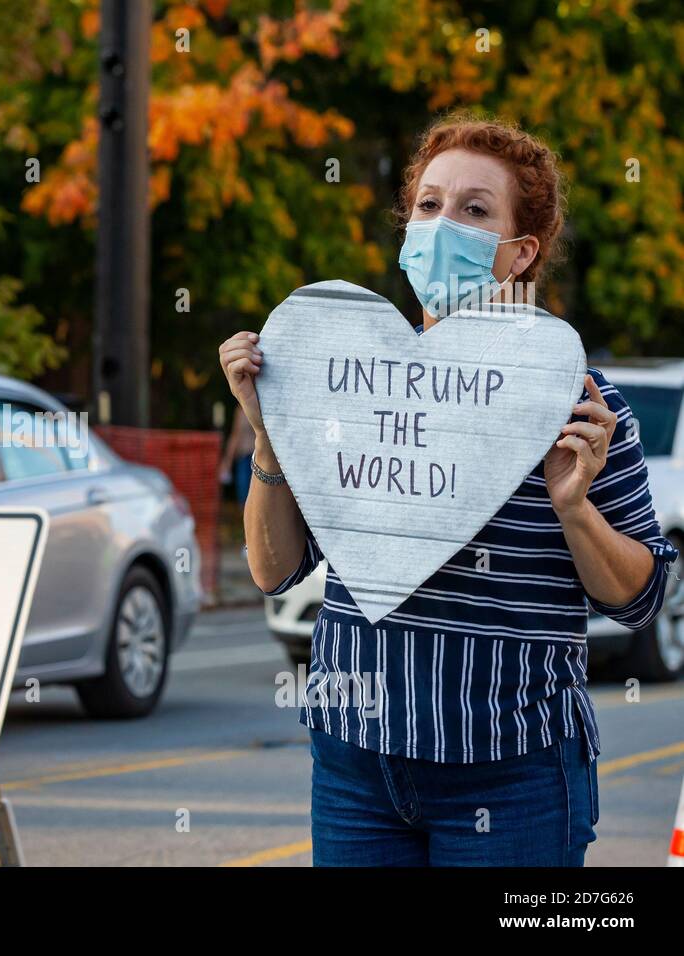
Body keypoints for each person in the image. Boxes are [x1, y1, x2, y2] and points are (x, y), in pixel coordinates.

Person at [218, 115, 677, 866]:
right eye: (428, 206)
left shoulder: (579, 405)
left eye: (474, 210)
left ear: (520, 251)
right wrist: (272, 433)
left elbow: (640, 599)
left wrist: (574, 508)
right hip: (355, 764)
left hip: (514, 774)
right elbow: (275, 570)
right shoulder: (347, 386)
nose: (441, 226)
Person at [218, 408, 256, 504]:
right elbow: (235, 435)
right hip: (243, 457)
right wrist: (227, 461)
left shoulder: (259, 407)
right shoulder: (240, 411)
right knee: (243, 489)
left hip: (256, 458)